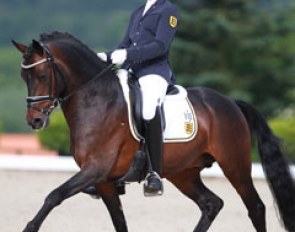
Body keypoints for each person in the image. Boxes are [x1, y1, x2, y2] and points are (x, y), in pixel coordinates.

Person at [98, 0, 178, 196]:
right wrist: (106, 57)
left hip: (154, 72)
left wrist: (126, 54)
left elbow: (160, 45)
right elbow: (125, 43)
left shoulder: (168, 10)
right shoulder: (139, 12)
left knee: (149, 108)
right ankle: (112, 172)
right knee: (110, 102)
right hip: (131, 71)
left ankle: (155, 174)